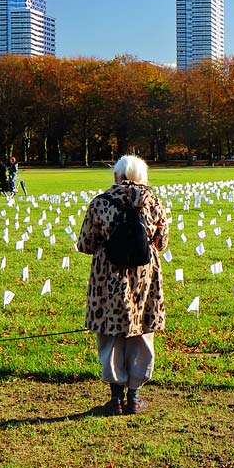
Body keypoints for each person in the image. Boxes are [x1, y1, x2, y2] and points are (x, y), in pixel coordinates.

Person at [77, 154, 170, 416]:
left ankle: (115, 398)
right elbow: (162, 242)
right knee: (142, 331)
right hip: (145, 280)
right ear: (143, 176)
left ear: (116, 176)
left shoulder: (99, 203)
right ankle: (135, 397)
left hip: (108, 279)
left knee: (110, 334)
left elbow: (85, 244)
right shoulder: (153, 202)